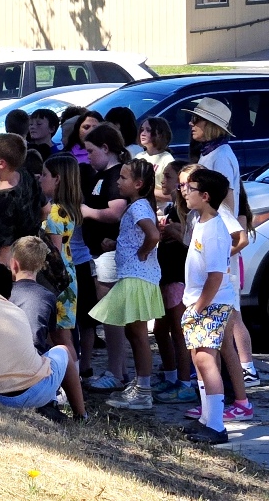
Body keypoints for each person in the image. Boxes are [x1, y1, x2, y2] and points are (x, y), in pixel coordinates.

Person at [0, 261, 87, 419]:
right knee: (63, 350)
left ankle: (51, 406)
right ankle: (81, 415)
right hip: (36, 394)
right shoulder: (18, 312)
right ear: (9, 293)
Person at [185, 98, 261, 392]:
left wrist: (226, 240)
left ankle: (242, 372)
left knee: (228, 312)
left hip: (219, 246)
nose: (192, 125)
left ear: (213, 126)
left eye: (198, 120)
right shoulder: (210, 154)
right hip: (209, 242)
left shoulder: (220, 156)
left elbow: (227, 202)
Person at [89, 159, 163, 410]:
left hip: (136, 277)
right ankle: (139, 383)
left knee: (139, 335)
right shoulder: (138, 206)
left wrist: (143, 252)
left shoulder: (139, 207)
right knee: (133, 333)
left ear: (138, 184)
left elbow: (153, 235)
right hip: (133, 276)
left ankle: (143, 390)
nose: (118, 182)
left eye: (123, 178)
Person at [179, 168, 235, 444]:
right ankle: (206, 418)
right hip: (199, 302)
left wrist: (198, 307)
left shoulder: (214, 230)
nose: (185, 192)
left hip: (212, 303)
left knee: (206, 359)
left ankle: (216, 425)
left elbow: (216, 276)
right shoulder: (199, 221)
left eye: (191, 188)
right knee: (199, 360)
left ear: (205, 195)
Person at [80, 123, 130, 391]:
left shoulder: (114, 177)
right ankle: (118, 369)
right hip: (96, 252)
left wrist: (86, 211)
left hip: (109, 254)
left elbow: (116, 212)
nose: (87, 157)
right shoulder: (100, 175)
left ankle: (115, 372)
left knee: (111, 314)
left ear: (106, 148)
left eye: (90, 151)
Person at [152, 160, 198, 404]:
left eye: (169, 177)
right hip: (165, 274)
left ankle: (185, 381)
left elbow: (192, 244)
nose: (164, 181)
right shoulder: (171, 210)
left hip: (179, 277)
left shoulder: (190, 214)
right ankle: (170, 375)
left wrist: (175, 232)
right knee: (160, 328)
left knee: (179, 332)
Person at [39, 154, 81, 371]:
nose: (40, 178)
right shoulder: (64, 208)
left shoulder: (55, 213)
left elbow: (53, 251)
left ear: (57, 179)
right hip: (67, 276)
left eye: (45, 174)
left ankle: (71, 379)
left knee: (61, 337)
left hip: (57, 279)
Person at [0, 133, 47, 266]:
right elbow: (46, 210)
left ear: (1, 164)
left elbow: (5, 248)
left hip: (18, 264)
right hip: (36, 250)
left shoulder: (2, 198)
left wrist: (6, 278)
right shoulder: (26, 174)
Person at [9, 236, 57, 354]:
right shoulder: (48, 296)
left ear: (13, 264)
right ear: (41, 265)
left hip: (6, 355)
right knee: (64, 350)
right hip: (35, 357)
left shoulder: (4, 293)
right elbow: (49, 334)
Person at [136, 116, 174, 206]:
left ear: (159, 134)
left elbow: (172, 195)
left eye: (148, 130)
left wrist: (146, 190)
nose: (143, 133)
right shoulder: (138, 157)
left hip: (159, 211)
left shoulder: (167, 159)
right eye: (142, 130)